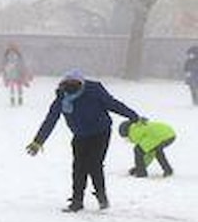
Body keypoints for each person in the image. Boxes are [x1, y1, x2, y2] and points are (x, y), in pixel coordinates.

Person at [26, 69, 140, 212]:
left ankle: (101, 196)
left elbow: (113, 104)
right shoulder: (62, 98)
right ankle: (77, 201)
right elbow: (51, 120)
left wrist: (133, 116)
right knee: (78, 167)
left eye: (74, 83)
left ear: (81, 84)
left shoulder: (94, 91)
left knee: (94, 164)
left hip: (100, 132)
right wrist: (38, 142)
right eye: (67, 84)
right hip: (80, 135)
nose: (70, 86)